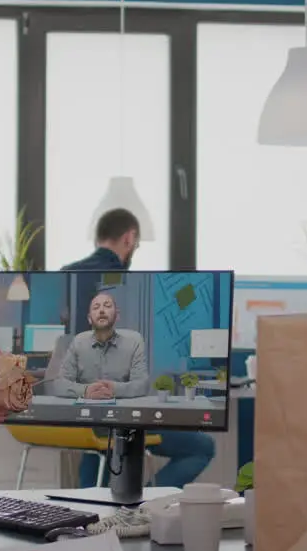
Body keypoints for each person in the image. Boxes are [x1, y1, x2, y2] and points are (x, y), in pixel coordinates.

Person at [62, 208, 215, 489]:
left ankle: (92, 509)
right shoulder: (126, 283)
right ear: (129, 238)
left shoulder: (65, 276)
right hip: (119, 411)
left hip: (74, 412)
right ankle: (143, 502)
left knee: (101, 436)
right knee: (201, 447)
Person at [55, 292, 149, 400]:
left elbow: (142, 385)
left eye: (107, 306)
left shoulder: (134, 342)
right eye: (96, 307)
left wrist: (114, 389)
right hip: (86, 410)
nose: (101, 311)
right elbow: (59, 384)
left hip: (122, 410)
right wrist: (85, 391)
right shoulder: (78, 342)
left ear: (117, 315)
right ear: (89, 318)